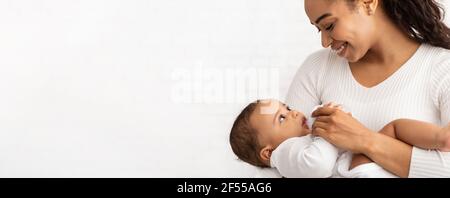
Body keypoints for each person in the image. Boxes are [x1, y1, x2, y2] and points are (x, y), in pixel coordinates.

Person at [286, 0, 450, 177]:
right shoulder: (317, 68)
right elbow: (282, 156)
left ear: (368, 3)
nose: (325, 42)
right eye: (319, 29)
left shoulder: (442, 68)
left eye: (329, 25)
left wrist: (365, 140)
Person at [229, 99, 450, 178]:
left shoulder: (298, 143)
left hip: (357, 164)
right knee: (393, 129)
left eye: (288, 107)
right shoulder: (283, 154)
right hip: (354, 171)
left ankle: (441, 137)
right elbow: (319, 165)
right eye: (282, 117)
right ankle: (440, 138)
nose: (295, 113)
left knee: (393, 127)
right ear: (267, 152)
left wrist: (338, 117)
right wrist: (328, 134)